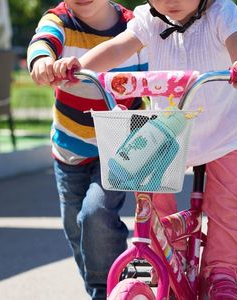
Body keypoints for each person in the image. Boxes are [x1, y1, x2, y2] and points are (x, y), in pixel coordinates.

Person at [52, 0, 237, 299]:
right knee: (152, 199)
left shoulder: (221, 12)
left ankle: (222, 272)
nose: (170, 1)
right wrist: (79, 66)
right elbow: (117, 47)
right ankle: (168, 258)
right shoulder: (148, 19)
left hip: (228, 134)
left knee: (223, 207)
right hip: (174, 129)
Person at [27, 1, 147, 299]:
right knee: (75, 225)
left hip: (119, 148)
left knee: (95, 213)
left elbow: (156, 76)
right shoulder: (59, 21)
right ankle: (103, 285)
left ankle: (106, 291)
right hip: (70, 148)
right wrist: (42, 61)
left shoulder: (133, 26)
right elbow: (43, 41)